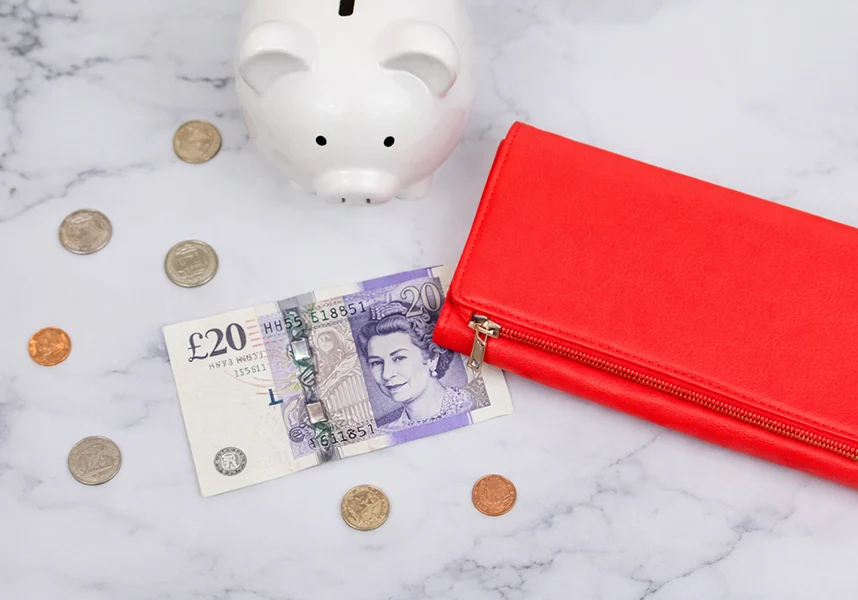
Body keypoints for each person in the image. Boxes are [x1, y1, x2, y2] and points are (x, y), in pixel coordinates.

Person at [357, 300, 474, 429]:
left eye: (399, 358)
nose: (386, 374)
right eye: (376, 362)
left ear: (432, 357)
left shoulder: (470, 404)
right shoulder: (386, 428)